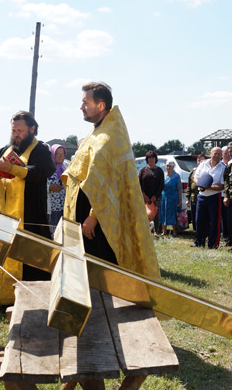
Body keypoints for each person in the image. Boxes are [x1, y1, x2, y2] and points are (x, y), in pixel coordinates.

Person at [62, 82, 160, 278]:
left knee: (101, 267)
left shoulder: (109, 136)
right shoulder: (97, 132)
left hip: (100, 219)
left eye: (85, 102)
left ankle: (107, 307)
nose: (81, 107)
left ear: (100, 105)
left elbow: (110, 184)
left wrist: (93, 216)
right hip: (82, 212)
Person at [0, 111, 55, 306]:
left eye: (20, 130)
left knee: (28, 257)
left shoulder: (41, 150)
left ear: (32, 129)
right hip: (2, 212)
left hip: (28, 213)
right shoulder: (4, 150)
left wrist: (14, 170)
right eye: (13, 130)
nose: (16, 134)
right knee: (0, 251)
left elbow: (42, 172)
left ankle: (29, 296)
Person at [193, 147, 226, 249]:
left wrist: (208, 187)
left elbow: (222, 186)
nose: (217, 155)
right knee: (199, 220)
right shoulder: (203, 164)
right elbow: (196, 177)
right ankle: (199, 242)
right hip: (201, 196)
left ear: (222, 156)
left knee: (214, 222)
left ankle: (213, 244)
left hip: (214, 197)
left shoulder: (223, 167)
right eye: (215, 153)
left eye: (219, 154)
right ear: (210, 153)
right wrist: (200, 184)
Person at [138, 150, 164, 235]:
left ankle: (156, 231)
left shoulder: (159, 171)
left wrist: (155, 196)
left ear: (155, 159)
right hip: (144, 196)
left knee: (156, 214)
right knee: (144, 214)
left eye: (153, 157)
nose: (151, 159)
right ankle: (145, 230)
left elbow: (161, 185)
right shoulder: (142, 170)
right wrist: (143, 194)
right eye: (149, 158)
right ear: (147, 159)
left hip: (156, 197)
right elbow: (139, 184)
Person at [47, 143, 69, 233]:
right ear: (52, 154)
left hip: (64, 207)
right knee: (53, 233)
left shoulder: (66, 166)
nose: (60, 157)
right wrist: (49, 187)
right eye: (57, 154)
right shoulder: (47, 168)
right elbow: (39, 184)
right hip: (51, 209)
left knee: (63, 233)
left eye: (62, 154)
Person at [160, 160, 182, 235]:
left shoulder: (176, 176)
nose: (168, 167)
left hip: (173, 198)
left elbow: (179, 189)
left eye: (170, 166)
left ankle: (175, 232)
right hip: (164, 197)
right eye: (167, 166)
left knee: (172, 214)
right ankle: (164, 231)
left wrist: (180, 201)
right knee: (163, 213)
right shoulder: (163, 175)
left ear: (173, 167)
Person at [186, 153, 206, 229]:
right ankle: (196, 232)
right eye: (199, 160)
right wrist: (187, 199)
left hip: (203, 196)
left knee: (203, 216)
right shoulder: (193, 172)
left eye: (202, 160)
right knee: (194, 216)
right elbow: (189, 186)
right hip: (194, 197)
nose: (200, 162)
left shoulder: (207, 171)